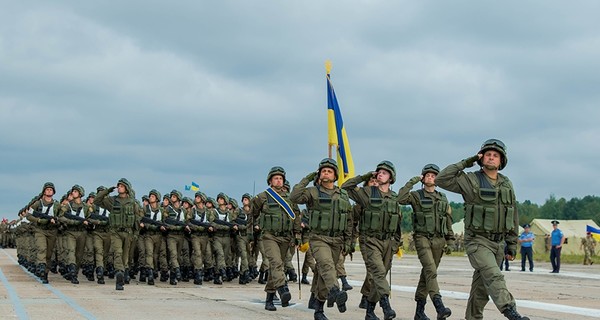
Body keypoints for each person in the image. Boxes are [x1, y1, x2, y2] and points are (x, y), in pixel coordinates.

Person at [436, 139, 529, 320]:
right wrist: (467, 161)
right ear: (481, 158)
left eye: (495, 155)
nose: (491, 158)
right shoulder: (471, 180)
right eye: (488, 154)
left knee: (481, 289)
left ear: (501, 161)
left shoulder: (506, 184)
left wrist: (511, 244)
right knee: (494, 276)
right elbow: (441, 178)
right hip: (478, 241)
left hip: (498, 243)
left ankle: (473, 317)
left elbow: (511, 213)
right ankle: (510, 310)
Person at [292, 158, 353, 320]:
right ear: (319, 175)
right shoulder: (312, 192)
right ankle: (336, 291)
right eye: (323, 170)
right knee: (326, 266)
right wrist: (309, 176)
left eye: (329, 171)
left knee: (321, 273)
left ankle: (318, 307)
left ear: (335, 176)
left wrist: (348, 241)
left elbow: (348, 219)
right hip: (318, 238)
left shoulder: (343, 194)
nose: (326, 173)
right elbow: (294, 196)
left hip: (337, 240)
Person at [341, 160, 400, 320]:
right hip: (370, 241)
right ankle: (386, 306)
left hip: (388, 242)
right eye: (378, 172)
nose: (380, 174)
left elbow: (398, 223)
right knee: (379, 273)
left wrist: (395, 244)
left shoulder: (394, 198)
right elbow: (345, 187)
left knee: (377, 277)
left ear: (391, 178)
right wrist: (366, 176)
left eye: (384, 172)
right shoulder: (367, 193)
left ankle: (370, 311)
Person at [397, 164, 454, 320]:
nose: (430, 177)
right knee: (431, 270)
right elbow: (400, 198)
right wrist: (414, 180)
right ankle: (439, 305)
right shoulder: (416, 195)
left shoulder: (442, 197)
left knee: (427, 275)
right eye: (427, 175)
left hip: (439, 240)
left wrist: (451, 240)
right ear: (423, 178)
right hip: (422, 238)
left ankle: (419, 312)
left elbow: (447, 220)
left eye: (433, 175)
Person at [252, 166, 301, 312]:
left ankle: (269, 299)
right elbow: (252, 214)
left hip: (285, 237)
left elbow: (296, 217)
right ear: (270, 181)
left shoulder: (290, 198)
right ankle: (283, 289)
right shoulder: (262, 197)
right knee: (276, 262)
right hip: (269, 236)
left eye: (280, 178)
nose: (278, 181)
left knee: (277, 268)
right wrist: (251, 232)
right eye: (276, 178)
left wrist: (297, 235)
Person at [94, 178, 142, 290]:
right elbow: (97, 200)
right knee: (118, 253)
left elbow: (137, 219)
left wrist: (135, 234)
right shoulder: (112, 200)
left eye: (121, 186)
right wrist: (107, 190)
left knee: (125, 257)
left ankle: (123, 271)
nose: (119, 187)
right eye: (118, 186)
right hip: (115, 232)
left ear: (126, 188)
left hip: (128, 233)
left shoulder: (133, 202)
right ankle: (119, 275)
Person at [26, 182, 60, 284]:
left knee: (49, 254)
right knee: (42, 249)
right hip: (40, 230)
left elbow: (62, 216)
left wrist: (57, 220)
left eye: (51, 189)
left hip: (52, 231)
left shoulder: (57, 205)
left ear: (53, 192)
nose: (49, 191)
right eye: (47, 189)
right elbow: (29, 215)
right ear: (44, 191)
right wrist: (39, 220)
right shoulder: (38, 203)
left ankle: (45, 272)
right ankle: (41, 265)